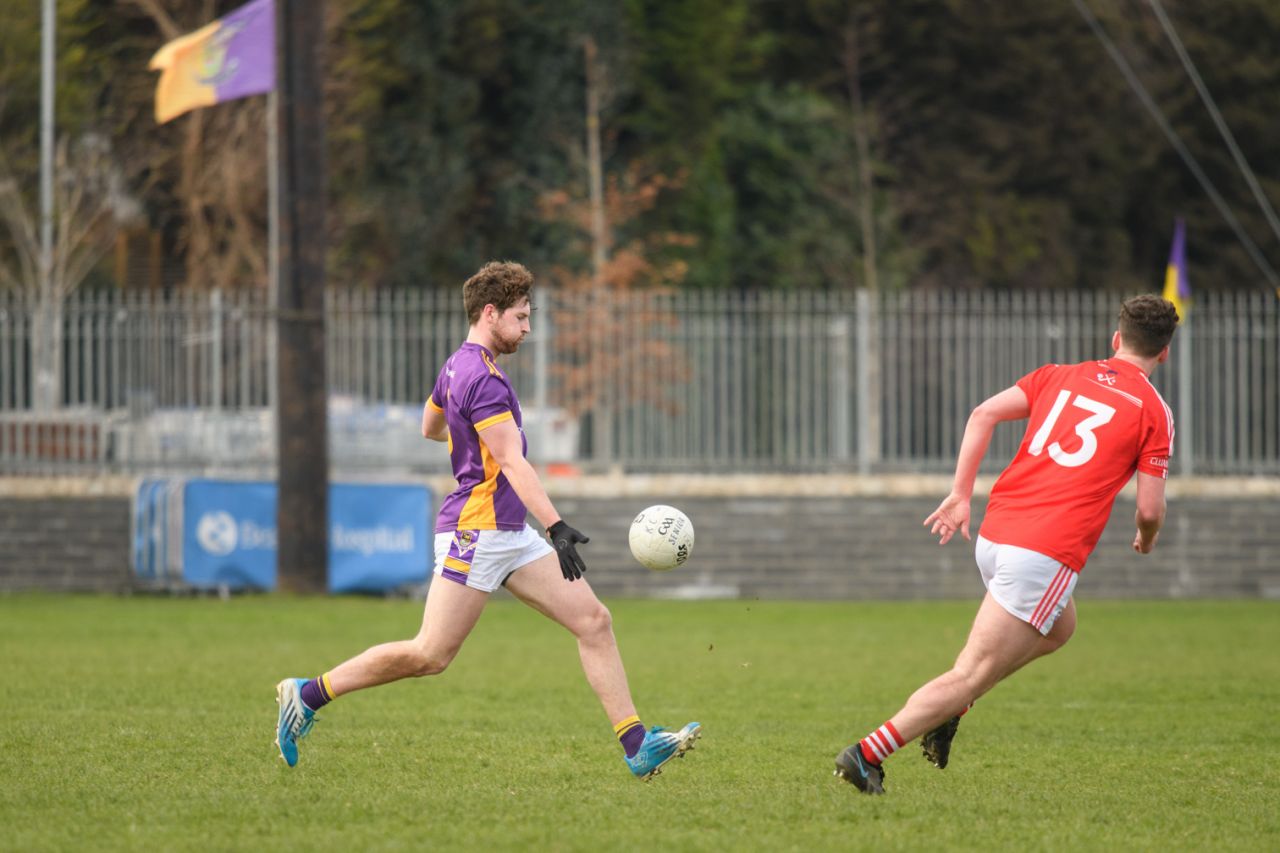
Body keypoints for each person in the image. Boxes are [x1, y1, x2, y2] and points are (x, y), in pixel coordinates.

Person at [274, 261, 700, 779]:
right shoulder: (485, 379)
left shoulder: (457, 366)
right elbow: (514, 461)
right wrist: (556, 525)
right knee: (430, 654)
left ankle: (637, 745)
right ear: (490, 312)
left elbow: (430, 425)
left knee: (594, 621)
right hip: (476, 533)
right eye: (520, 317)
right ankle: (307, 693)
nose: (527, 329)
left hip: (507, 532)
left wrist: (469, 443)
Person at [835, 294, 1179, 795]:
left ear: (1115, 338)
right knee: (969, 673)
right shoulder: (1153, 411)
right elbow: (1149, 509)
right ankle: (866, 755)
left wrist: (959, 494)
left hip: (997, 534)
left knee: (1061, 626)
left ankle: (955, 706)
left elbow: (981, 414)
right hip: (1043, 551)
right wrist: (1146, 540)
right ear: (1164, 353)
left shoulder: (1058, 374)